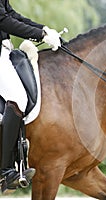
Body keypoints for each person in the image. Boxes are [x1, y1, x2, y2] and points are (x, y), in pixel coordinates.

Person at [0, 0, 61, 192]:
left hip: (5, 50)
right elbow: (3, 21)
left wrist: (43, 29)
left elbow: (11, 14)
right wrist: (39, 34)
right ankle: (5, 170)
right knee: (18, 98)